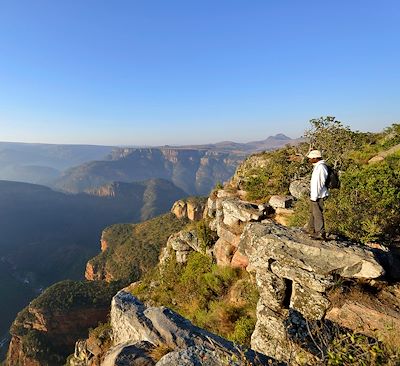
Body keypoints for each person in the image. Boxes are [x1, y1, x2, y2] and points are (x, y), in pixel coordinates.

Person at [306, 150, 328, 240]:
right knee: (313, 212)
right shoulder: (318, 167)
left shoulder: (321, 168)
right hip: (316, 195)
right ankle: (311, 229)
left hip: (318, 196)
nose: (309, 160)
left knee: (317, 213)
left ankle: (320, 232)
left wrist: (314, 197)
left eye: (311, 158)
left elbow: (319, 183)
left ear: (315, 158)